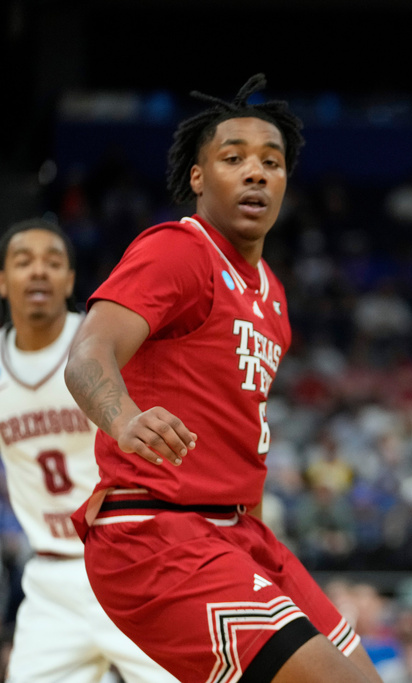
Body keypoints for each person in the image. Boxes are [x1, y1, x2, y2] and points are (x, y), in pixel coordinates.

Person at [64, 75, 382, 683]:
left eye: (272, 161)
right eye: (233, 159)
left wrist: (259, 537)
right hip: (153, 533)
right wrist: (125, 417)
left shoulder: (275, 298)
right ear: (198, 176)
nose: (256, 172)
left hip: (237, 530)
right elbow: (87, 354)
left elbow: (240, 427)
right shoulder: (179, 252)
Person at [0, 218, 176, 682]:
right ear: (3, 280)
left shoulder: (100, 347)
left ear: (70, 280)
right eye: (24, 262)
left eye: (53, 262)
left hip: (132, 563)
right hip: (51, 578)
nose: (39, 272)